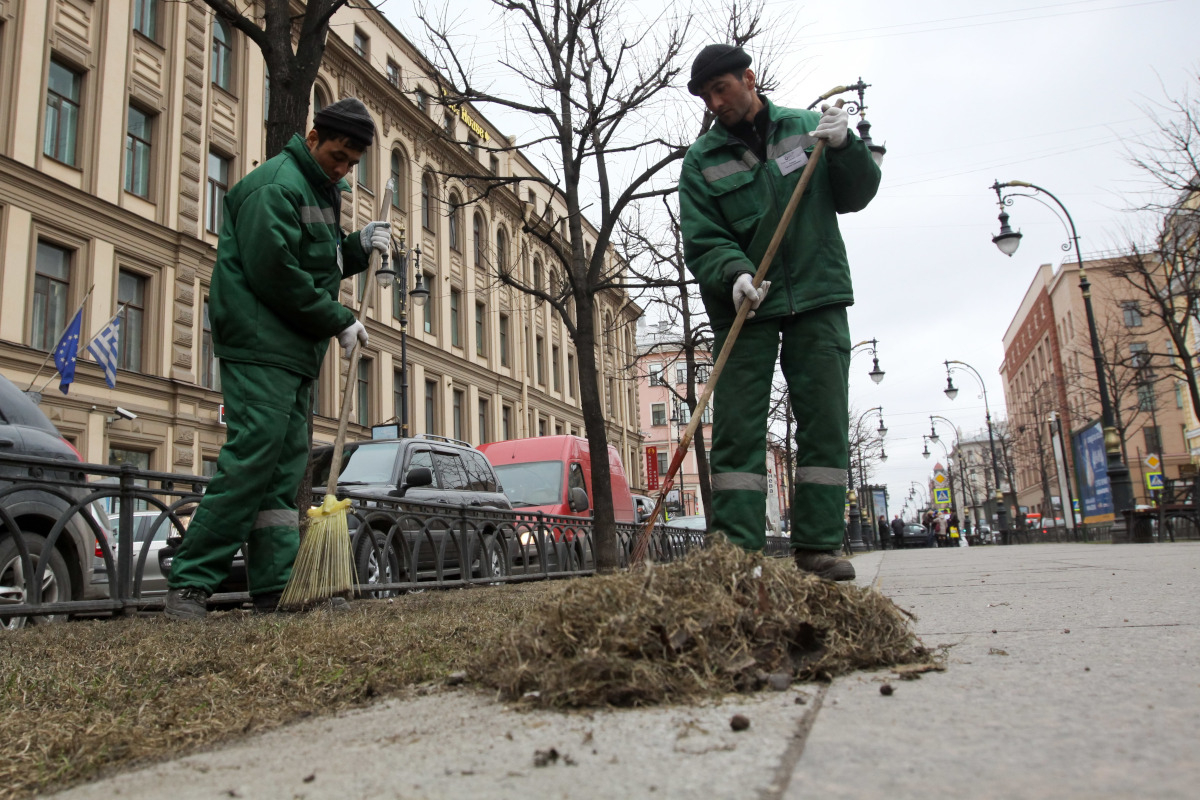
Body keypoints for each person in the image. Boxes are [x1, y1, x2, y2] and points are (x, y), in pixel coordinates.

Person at [165, 98, 391, 619]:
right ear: (313, 138)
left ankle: (277, 587)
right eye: (337, 156)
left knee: (280, 473)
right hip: (260, 342)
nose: (342, 169)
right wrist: (338, 319)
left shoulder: (318, 190)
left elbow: (320, 257)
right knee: (253, 459)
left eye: (352, 164)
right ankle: (190, 585)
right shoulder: (275, 185)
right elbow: (276, 274)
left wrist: (356, 246)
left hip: (292, 351)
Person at [678, 45, 881, 581]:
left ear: (748, 78)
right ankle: (736, 556)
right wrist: (734, 272)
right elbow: (702, 239)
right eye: (706, 95)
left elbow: (857, 194)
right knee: (739, 427)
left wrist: (846, 148)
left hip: (818, 294)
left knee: (824, 419)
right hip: (746, 306)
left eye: (721, 88)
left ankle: (817, 546)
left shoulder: (808, 129)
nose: (714, 102)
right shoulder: (702, 161)